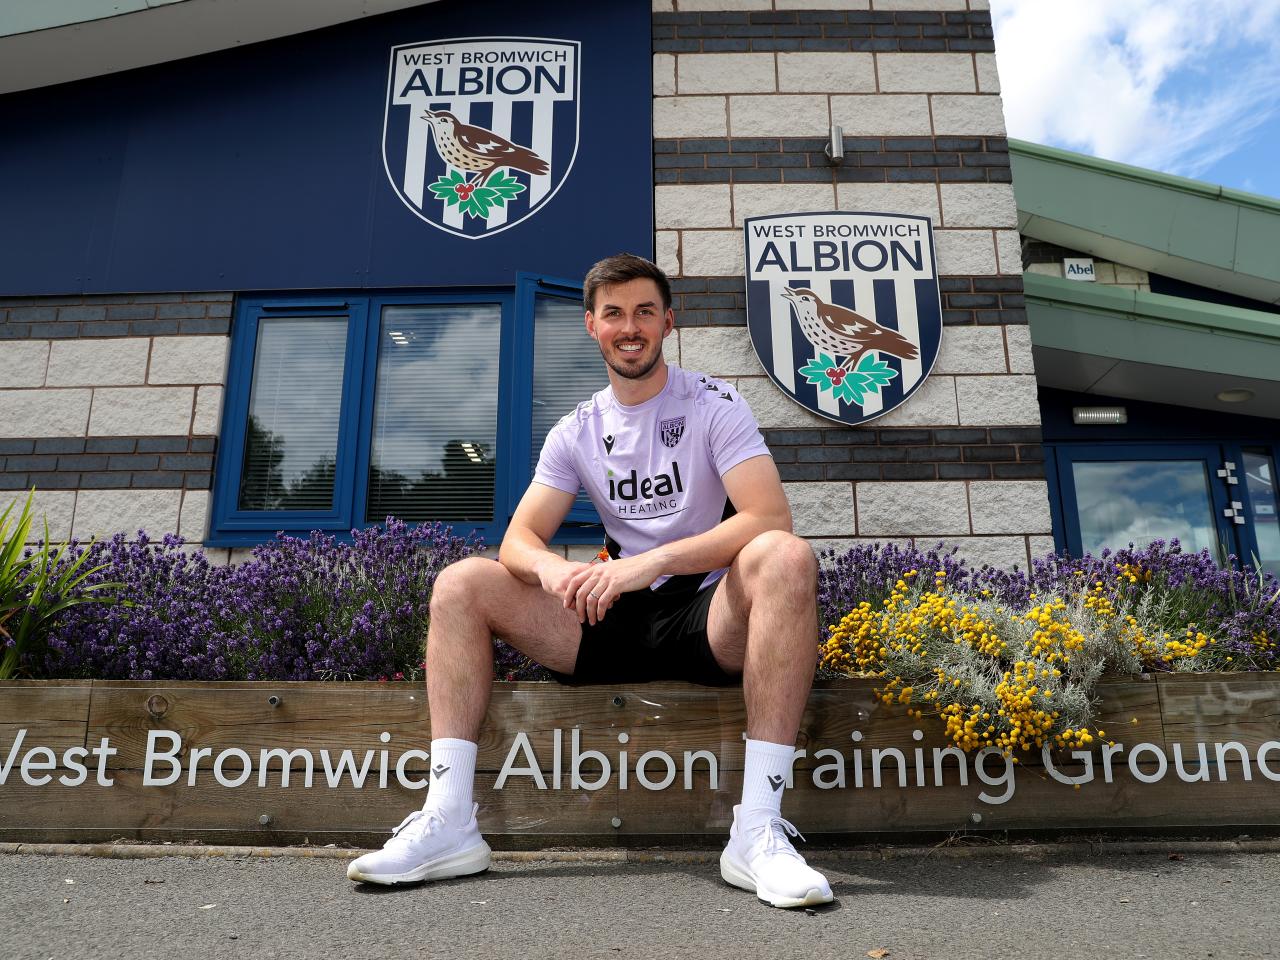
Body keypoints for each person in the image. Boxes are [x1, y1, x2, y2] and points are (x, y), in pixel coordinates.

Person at [347, 253, 831, 909]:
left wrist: (655, 560)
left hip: (709, 619)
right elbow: (517, 540)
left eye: (643, 311)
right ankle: (450, 821)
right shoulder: (576, 429)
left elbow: (769, 515)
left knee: (784, 556)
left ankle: (758, 830)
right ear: (592, 326)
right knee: (462, 584)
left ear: (667, 321)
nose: (629, 327)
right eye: (614, 314)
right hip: (608, 618)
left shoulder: (715, 404)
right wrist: (552, 568)